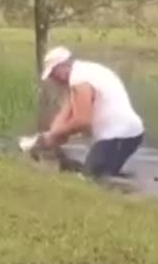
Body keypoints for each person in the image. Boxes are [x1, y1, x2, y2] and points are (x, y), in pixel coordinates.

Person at [37, 46, 145, 178]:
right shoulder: (84, 72)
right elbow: (68, 109)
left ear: (62, 66)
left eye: (54, 74)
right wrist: (53, 134)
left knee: (92, 178)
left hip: (120, 134)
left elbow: (83, 121)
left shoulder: (79, 78)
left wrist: (54, 135)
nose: (54, 79)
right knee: (98, 172)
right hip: (121, 133)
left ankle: (134, 188)